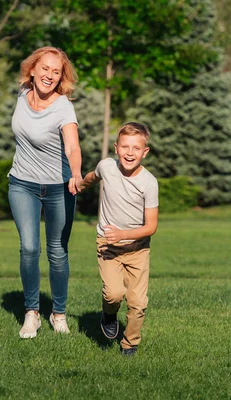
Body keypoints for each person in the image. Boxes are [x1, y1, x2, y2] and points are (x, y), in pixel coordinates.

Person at [7, 46, 82, 339]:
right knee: (28, 247)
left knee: (57, 251)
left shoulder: (63, 106)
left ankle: (59, 314)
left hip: (58, 186)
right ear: (33, 69)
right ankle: (32, 313)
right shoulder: (21, 94)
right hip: (22, 182)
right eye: (45, 69)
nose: (49, 76)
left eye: (56, 71)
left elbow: (73, 146)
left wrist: (75, 173)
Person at [79, 122, 159, 356]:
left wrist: (124, 234)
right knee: (113, 294)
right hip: (108, 246)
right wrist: (79, 185)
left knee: (138, 303)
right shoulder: (107, 166)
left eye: (136, 148)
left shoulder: (149, 183)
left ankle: (130, 343)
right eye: (125, 146)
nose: (130, 153)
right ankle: (109, 313)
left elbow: (151, 226)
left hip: (137, 249)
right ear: (116, 148)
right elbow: (93, 177)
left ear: (145, 152)